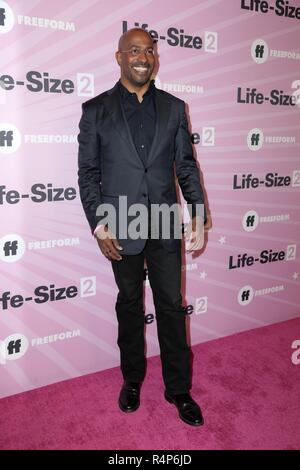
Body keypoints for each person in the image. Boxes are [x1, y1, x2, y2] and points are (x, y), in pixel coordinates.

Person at [78, 28, 210, 426]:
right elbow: (89, 175)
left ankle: (179, 389)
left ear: (156, 58)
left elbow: (185, 166)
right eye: (133, 50)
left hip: (166, 222)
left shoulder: (174, 108)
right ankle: (132, 379)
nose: (142, 57)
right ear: (119, 57)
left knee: (171, 306)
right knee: (131, 306)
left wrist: (199, 213)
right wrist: (100, 226)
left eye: (149, 51)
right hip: (120, 224)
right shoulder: (95, 110)